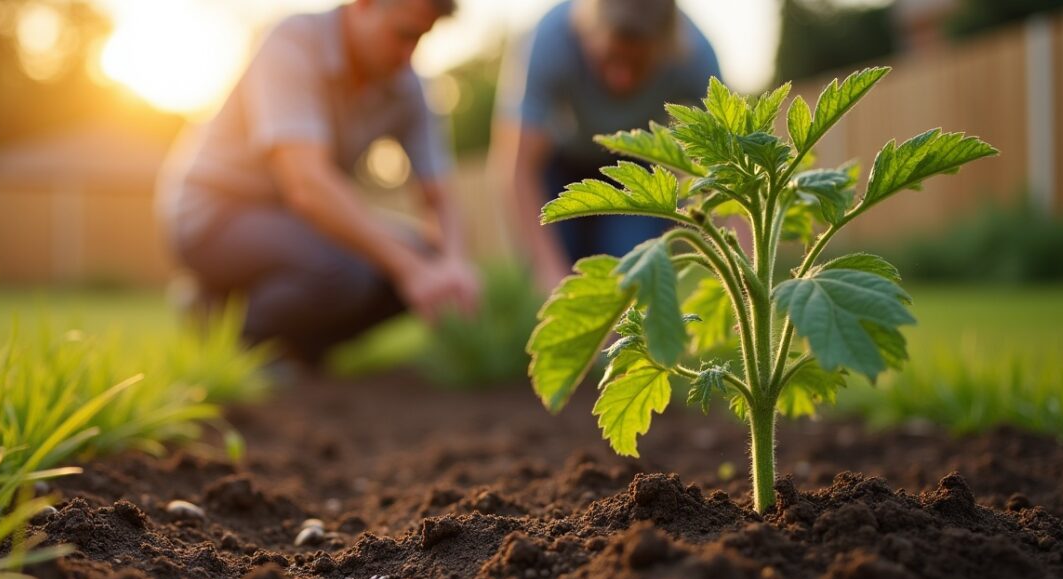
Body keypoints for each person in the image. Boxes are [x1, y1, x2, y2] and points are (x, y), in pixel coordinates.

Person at [157, 0, 478, 364]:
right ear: (363, 6)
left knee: (426, 260)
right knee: (347, 272)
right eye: (402, 34)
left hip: (299, 225)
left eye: (420, 38)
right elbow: (307, 186)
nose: (408, 55)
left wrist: (452, 262)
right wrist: (410, 269)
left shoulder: (405, 85)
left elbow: (439, 192)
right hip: (216, 213)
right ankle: (222, 326)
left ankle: (302, 350)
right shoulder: (293, 42)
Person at [490, 0, 721, 291]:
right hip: (560, 166)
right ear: (586, 35)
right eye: (609, 59)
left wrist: (744, 271)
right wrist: (550, 275)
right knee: (567, 272)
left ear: (665, 50)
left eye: (638, 64)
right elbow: (519, 170)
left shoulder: (696, 53)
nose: (620, 80)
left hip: (637, 165)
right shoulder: (551, 39)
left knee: (629, 275)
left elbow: (724, 170)